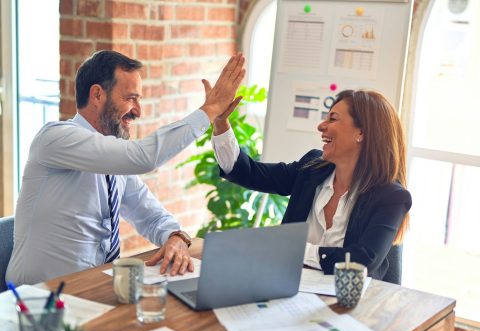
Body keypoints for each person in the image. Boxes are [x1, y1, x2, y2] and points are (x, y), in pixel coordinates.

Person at [6, 50, 245, 285]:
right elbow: (144, 157)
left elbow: (150, 215)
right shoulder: (55, 138)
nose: (138, 111)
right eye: (131, 98)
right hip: (38, 300)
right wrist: (210, 110)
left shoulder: (113, 161)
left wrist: (176, 236)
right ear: (98, 95)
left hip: (93, 290)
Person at [211, 89, 411, 280]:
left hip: (349, 304)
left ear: (362, 133)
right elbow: (248, 173)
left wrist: (293, 249)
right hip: (288, 289)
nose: (321, 126)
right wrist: (221, 123)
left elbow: (362, 261)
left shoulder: (391, 197)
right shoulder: (312, 168)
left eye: (333, 118)